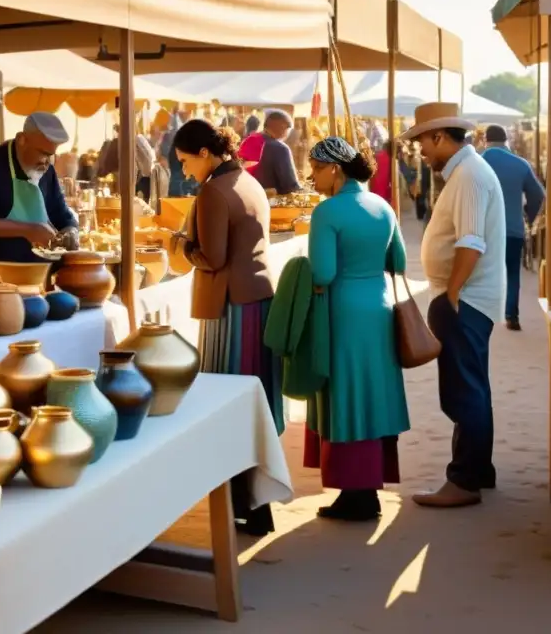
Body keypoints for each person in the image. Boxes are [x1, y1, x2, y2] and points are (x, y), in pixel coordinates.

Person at [167, 119, 280, 536]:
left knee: (226, 404)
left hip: (230, 306)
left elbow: (211, 258)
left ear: (203, 154)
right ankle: (257, 503)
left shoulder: (213, 190)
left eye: (184, 162)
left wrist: (179, 244)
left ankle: (244, 503)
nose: (184, 171)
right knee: (253, 404)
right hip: (256, 300)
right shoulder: (245, 179)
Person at [299, 137, 410, 521]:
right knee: (372, 395)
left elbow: (324, 272)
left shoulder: (327, 212)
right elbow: (398, 260)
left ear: (335, 168)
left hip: (343, 314)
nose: (311, 176)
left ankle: (355, 494)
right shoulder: (383, 206)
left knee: (346, 397)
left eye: (315, 167)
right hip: (379, 311)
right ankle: (368, 490)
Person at [401, 103, 506, 508]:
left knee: (464, 390)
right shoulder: (466, 173)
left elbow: (471, 241)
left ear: (440, 137)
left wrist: (453, 293)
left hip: (466, 298)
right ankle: (478, 471)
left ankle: (464, 480)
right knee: (472, 387)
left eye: (423, 142)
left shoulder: (469, 176)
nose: (420, 152)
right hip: (466, 296)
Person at [0, 112, 79, 290]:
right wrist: (28, 230)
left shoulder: (46, 171)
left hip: (34, 275)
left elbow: (60, 212)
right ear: (22, 139)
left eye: (51, 155)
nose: (46, 162)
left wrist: (71, 229)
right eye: (43, 153)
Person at [482, 125, 544, 331]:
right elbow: (538, 195)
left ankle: (484, 314)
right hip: (513, 228)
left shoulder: (478, 163)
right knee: (512, 273)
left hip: (484, 230)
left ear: (486, 140)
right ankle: (512, 315)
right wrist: (528, 214)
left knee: (483, 271)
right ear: (506, 140)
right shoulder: (521, 164)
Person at [251, 109, 301, 195]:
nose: (287, 133)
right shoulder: (280, 148)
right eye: (287, 128)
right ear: (281, 126)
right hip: (272, 203)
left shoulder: (249, 142)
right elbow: (290, 186)